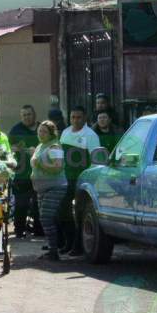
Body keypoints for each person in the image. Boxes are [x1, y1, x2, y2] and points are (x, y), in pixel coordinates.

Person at [59, 106, 100, 256]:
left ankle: (79, 246)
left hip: (82, 180)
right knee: (63, 211)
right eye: (73, 117)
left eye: (79, 117)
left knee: (79, 213)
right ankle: (67, 242)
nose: (75, 120)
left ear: (85, 118)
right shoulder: (65, 132)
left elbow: (95, 160)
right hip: (65, 178)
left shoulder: (91, 135)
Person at [30, 121, 67, 261]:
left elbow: (58, 167)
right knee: (46, 219)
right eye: (39, 131)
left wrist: (39, 163)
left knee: (46, 218)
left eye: (44, 131)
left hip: (55, 187)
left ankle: (53, 251)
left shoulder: (54, 146)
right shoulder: (41, 145)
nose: (41, 134)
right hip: (42, 189)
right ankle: (53, 248)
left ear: (52, 133)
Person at [8, 105, 43, 238]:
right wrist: (16, 149)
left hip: (40, 173)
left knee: (38, 204)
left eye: (29, 114)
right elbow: (8, 147)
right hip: (21, 173)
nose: (27, 117)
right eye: (24, 115)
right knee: (21, 204)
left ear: (34, 115)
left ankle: (39, 231)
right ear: (21, 116)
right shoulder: (15, 130)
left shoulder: (42, 128)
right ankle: (19, 230)